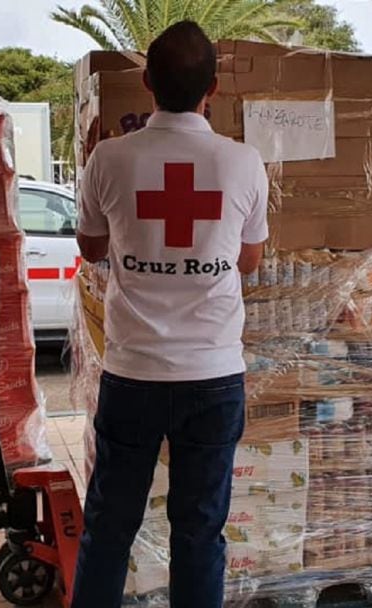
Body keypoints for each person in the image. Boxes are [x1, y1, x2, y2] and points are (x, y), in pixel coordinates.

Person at [71, 21, 269, 608]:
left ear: (146, 82)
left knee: (109, 528)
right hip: (213, 375)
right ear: (215, 87)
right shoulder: (243, 161)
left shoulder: (109, 158)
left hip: (133, 375)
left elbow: (91, 248)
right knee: (199, 532)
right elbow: (250, 262)